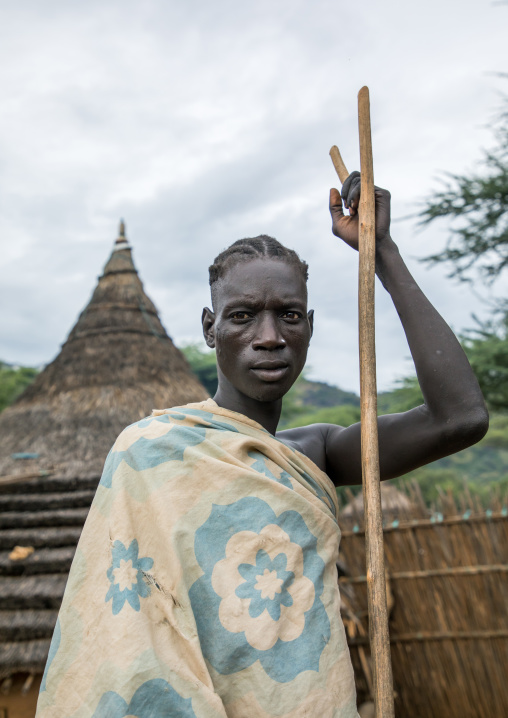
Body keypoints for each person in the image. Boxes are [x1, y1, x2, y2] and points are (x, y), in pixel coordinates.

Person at [36, 175, 488, 718]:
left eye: (289, 315)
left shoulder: (315, 455)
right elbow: (121, 639)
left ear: (310, 327)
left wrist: (382, 254)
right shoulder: (150, 452)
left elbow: (460, 418)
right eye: (243, 315)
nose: (269, 336)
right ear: (210, 328)